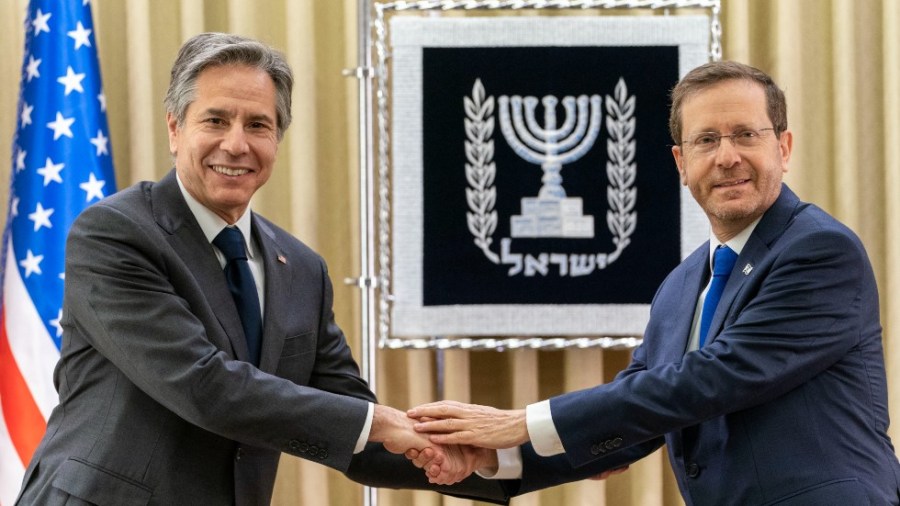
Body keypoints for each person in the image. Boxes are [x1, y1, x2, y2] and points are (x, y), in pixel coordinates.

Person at [14, 33, 508, 505]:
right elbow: (204, 387)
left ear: (277, 139)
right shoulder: (115, 233)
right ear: (174, 127)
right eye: (215, 120)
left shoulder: (302, 271)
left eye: (257, 125)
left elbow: (351, 428)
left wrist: (488, 457)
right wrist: (381, 422)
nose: (236, 144)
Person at [408, 60, 900, 505]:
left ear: (784, 147)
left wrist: (520, 423)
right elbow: (640, 417)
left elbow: (716, 377)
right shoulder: (681, 286)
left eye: (746, 134)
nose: (727, 157)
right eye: (706, 140)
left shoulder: (819, 251)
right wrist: (496, 458)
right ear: (681, 164)